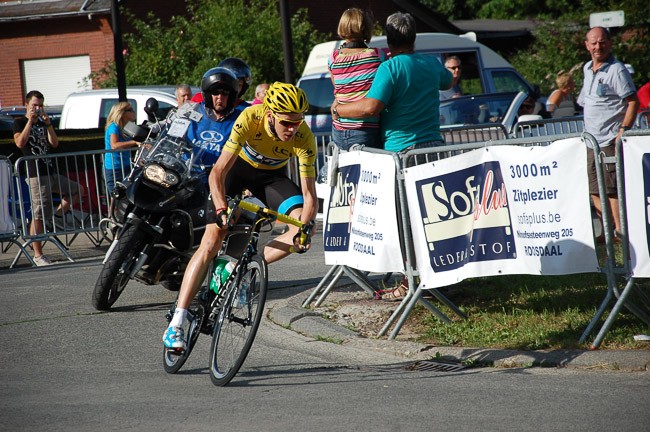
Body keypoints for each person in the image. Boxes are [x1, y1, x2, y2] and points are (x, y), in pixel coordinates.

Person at [163, 82, 318, 350]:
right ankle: (176, 322)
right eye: (286, 123)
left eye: (297, 122)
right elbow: (218, 173)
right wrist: (222, 208)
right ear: (269, 114)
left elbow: (310, 195)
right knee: (211, 243)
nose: (292, 129)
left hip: (271, 179)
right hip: (237, 171)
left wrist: (305, 227)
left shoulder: (304, 136)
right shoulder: (250, 118)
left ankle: (242, 269)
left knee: (302, 229)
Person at [331, 12, 452, 300]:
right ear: (413, 37)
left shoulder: (390, 68)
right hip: (433, 148)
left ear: (388, 38)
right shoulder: (430, 64)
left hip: (401, 153)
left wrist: (338, 109)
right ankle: (440, 278)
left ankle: (409, 284)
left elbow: (370, 107)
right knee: (432, 217)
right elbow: (447, 82)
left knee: (403, 221)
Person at [577, 26, 639, 240]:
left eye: (602, 42)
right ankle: (606, 232)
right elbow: (585, 102)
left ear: (610, 43)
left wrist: (623, 130)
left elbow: (633, 102)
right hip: (590, 141)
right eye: (593, 43)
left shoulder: (616, 70)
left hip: (608, 140)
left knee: (612, 189)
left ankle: (621, 232)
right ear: (586, 45)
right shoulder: (586, 68)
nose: (598, 47)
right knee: (594, 188)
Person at [12, 90, 83, 266]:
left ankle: (56, 216)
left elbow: (54, 143)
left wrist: (49, 124)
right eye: (34, 105)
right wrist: (30, 121)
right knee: (39, 213)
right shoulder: (19, 122)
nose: (37, 108)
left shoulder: (44, 123)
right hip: (36, 174)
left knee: (77, 190)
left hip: (50, 171)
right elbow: (20, 143)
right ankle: (38, 254)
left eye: (40, 105)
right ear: (27, 105)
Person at [329, 7, 386, 150]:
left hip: (339, 129)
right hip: (366, 130)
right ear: (366, 28)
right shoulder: (378, 56)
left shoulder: (334, 58)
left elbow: (338, 90)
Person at [179, 67, 246, 168]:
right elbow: (170, 125)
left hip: (217, 175)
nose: (220, 97)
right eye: (215, 92)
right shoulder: (192, 109)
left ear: (232, 96)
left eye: (225, 93)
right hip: (184, 171)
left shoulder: (241, 119)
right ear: (208, 94)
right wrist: (153, 130)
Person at [103, 102, 139, 195]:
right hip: (114, 168)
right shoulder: (114, 127)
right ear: (122, 113)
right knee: (116, 195)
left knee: (128, 193)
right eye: (130, 110)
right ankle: (112, 210)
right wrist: (134, 142)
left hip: (126, 165)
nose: (133, 112)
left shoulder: (126, 127)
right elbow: (114, 145)